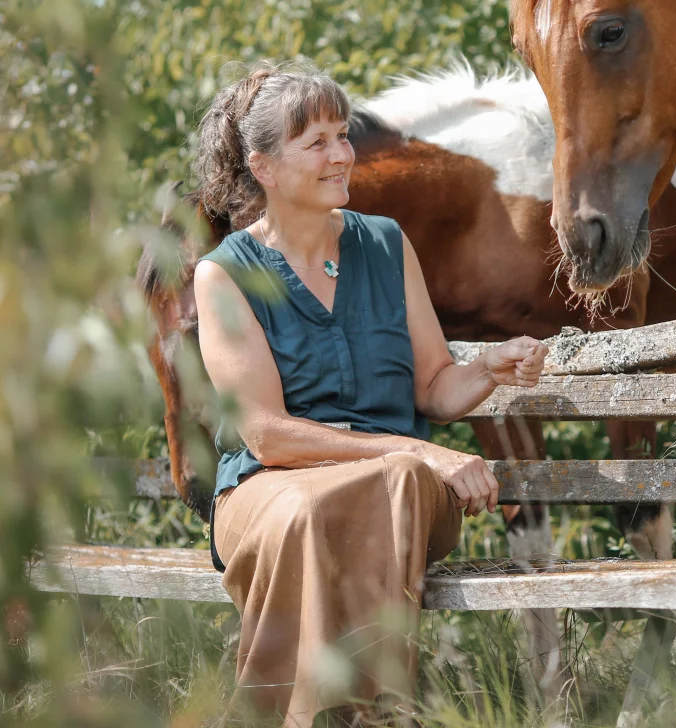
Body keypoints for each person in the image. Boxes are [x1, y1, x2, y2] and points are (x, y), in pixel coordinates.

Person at [191, 61, 548, 725]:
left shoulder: (387, 245)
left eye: (342, 135)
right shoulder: (225, 275)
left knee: (394, 483)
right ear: (263, 168)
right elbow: (265, 436)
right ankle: (370, 715)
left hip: (402, 495)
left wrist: (488, 370)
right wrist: (416, 456)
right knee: (323, 505)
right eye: (318, 142)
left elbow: (435, 386)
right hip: (269, 491)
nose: (343, 155)